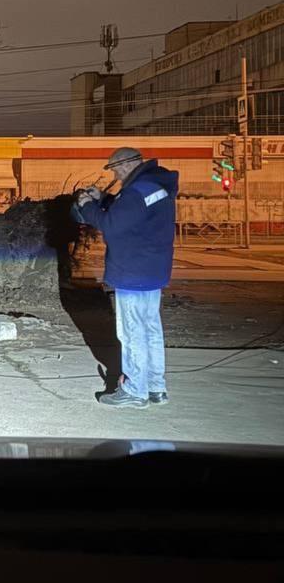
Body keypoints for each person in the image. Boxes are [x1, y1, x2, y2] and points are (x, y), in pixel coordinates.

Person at [74, 146, 179, 409]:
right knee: (151, 330)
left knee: (131, 332)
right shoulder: (153, 185)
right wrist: (105, 199)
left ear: (127, 164)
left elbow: (111, 224)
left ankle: (134, 390)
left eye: (116, 169)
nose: (117, 175)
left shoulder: (135, 191)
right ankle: (156, 387)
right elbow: (130, 214)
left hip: (132, 271)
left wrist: (87, 207)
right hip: (152, 270)